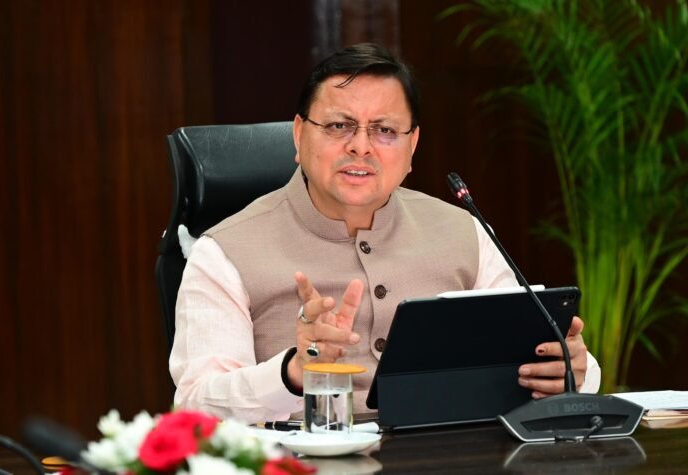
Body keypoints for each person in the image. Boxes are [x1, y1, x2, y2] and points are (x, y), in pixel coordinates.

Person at [169, 43, 600, 423]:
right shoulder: (225, 251)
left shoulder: (464, 230)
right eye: (339, 126)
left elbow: (543, 351)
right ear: (299, 135)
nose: (361, 146)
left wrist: (573, 370)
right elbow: (194, 406)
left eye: (385, 130)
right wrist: (291, 373)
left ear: (412, 146)